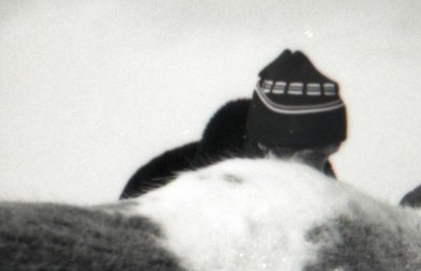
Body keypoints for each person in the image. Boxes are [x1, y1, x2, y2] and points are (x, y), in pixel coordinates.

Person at [121, 49, 347, 199]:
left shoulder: (327, 200)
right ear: (263, 146)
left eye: (322, 155)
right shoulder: (152, 186)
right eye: (302, 156)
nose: (312, 172)